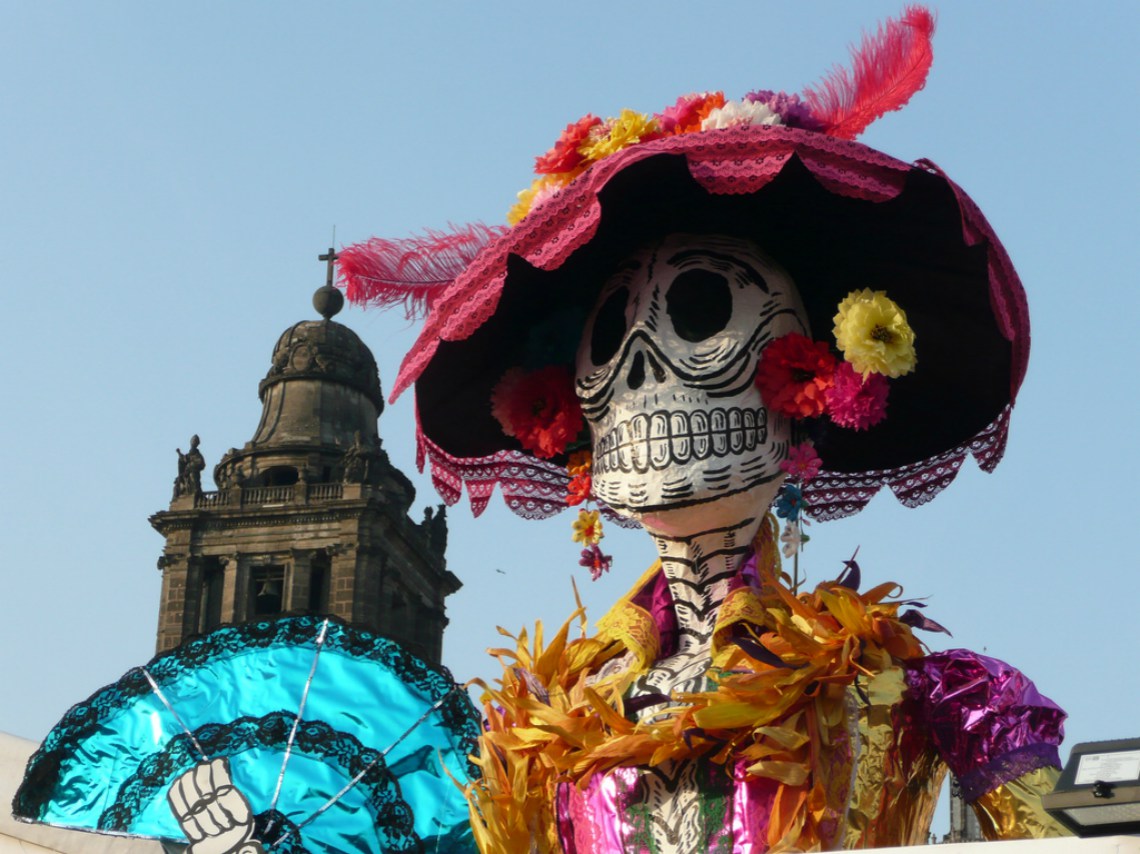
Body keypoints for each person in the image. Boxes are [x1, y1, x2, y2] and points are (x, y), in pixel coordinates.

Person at [339, 7, 1067, 851]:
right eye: (612, 343)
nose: (646, 373)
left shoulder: (913, 691)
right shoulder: (538, 732)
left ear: (812, 381)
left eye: (703, 319)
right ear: (570, 408)